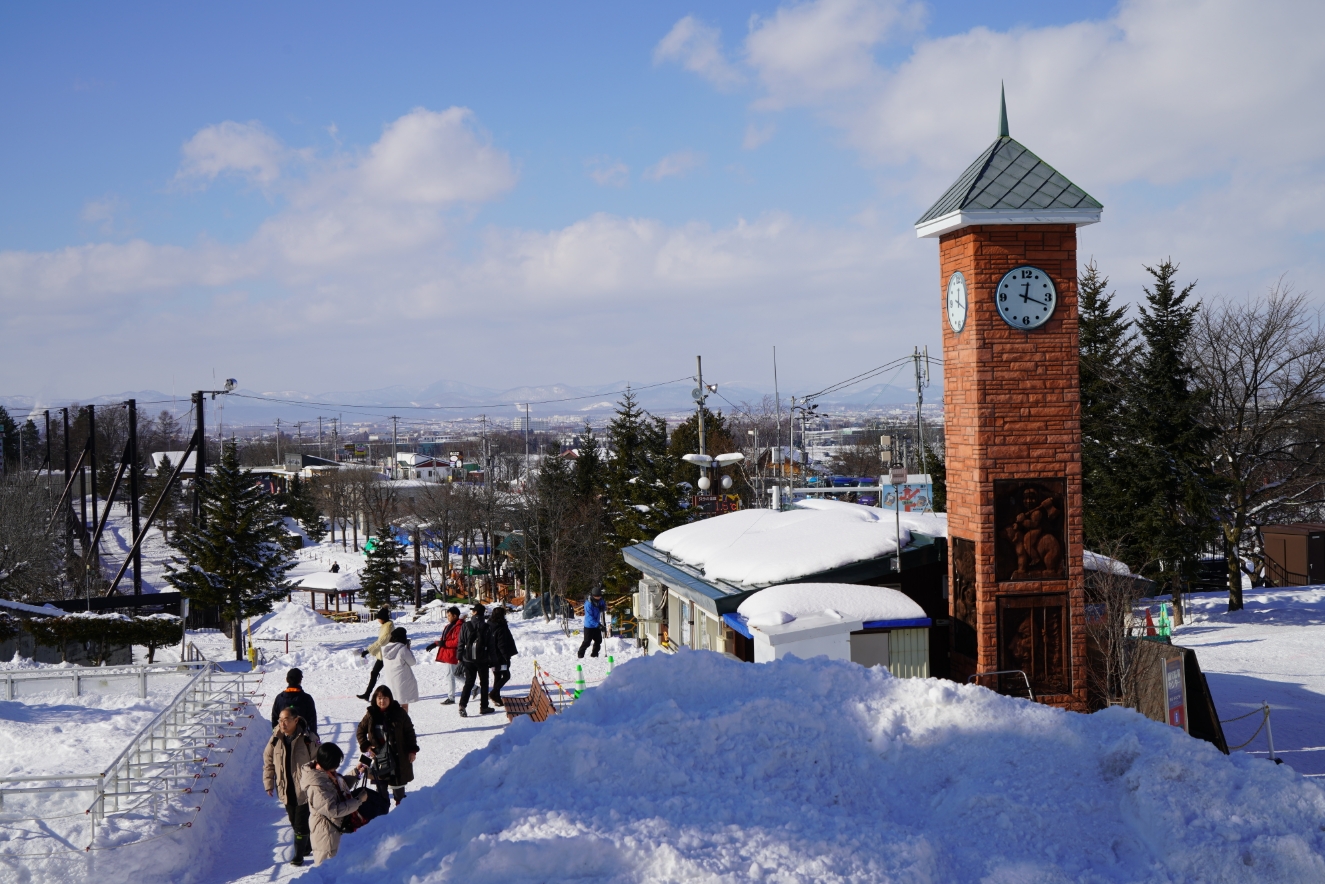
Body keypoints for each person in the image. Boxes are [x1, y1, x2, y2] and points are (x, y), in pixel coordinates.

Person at [262, 708, 319, 866]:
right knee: (294, 821)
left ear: (296, 720)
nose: (282, 723)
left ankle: (298, 855)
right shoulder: (275, 739)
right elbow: (268, 761)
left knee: (300, 822)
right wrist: (269, 783)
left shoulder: (308, 738)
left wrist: (317, 783)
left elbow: (318, 761)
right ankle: (306, 846)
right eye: (280, 720)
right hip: (285, 788)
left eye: (286, 720)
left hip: (304, 789)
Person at [301, 742, 365, 867]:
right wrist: (358, 801)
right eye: (334, 766)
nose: (336, 769)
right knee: (327, 873)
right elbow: (333, 810)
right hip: (326, 836)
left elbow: (339, 787)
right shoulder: (317, 786)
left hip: (334, 831)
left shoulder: (326, 774)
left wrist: (356, 772)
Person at [355, 685, 419, 807]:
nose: (382, 701)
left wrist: (412, 750)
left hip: (397, 757)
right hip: (379, 757)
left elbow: (409, 731)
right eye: (379, 698)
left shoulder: (399, 712)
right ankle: (384, 816)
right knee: (381, 791)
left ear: (390, 699)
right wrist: (367, 746)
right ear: (375, 699)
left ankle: (401, 812)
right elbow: (360, 731)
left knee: (399, 791)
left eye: (385, 698)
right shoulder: (371, 714)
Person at [457, 603, 493, 717]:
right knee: (484, 683)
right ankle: (484, 707)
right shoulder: (487, 627)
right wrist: (492, 660)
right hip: (483, 659)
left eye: (473, 611)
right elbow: (491, 645)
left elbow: (461, 642)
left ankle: (462, 706)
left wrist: (459, 657)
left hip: (468, 659)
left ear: (476, 612)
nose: (472, 612)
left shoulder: (466, 625)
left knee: (469, 682)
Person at [423, 607, 463, 705]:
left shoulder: (459, 626)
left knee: (451, 675)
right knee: (456, 675)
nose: (447, 617)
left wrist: (443, 644)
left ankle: (451, 697)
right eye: (447, 616)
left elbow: (457, 642)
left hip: (454, 653)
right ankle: (475, 688)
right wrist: (435, 644)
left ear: (455, 616)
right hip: (448, 653)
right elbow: (443, 639)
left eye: (449, 615)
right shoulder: (449, 626)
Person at [357, 606, 394, 700]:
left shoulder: (388, 626)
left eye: (379, 618)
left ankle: (398, 694)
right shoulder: (385, 626)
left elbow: (382, 641)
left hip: (387, 655)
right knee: (374, 673)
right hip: (382, 655)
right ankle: (367, 694)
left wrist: (368, 650)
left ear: (383, 618)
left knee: (393, 675)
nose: (378, 620)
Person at [270, 668, 319, 737]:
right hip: (302, 738)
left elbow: (274, 718)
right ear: (300, 680)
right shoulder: (307, 698)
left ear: (287, 680)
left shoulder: (279, 698)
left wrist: (276, 734)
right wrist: (314, 737)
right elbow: (312, 721)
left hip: (284, 737)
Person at [380, 627, 419, 711]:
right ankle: (403, 723)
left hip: (390, 680)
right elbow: (412, 662)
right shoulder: (402, 649)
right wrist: (408, 649)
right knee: (404, 706)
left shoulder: (385, 649)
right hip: (402, 680)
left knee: (392, 705)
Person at [487, 606, 518, 707]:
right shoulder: (501, 626)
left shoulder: (489, 625)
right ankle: (493, 693)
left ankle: (497, 698)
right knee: (506, 675)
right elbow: (502, 644)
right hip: (500, 657)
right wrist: (506, 657)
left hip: (491, 656)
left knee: (497, 675)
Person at [578, 586, 607, 658]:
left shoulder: (600, 600)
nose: (598, 598)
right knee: (587, 642)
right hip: (589, 626)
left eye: (599, 596)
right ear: (593, 596)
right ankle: (580, 654)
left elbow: (604, 605)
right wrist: (598, 625)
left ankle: (594, 655)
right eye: (597, 596)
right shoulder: (588, 604)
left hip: (596, 625)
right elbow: (589, 618)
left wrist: (603, 607)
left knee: (598, 640)